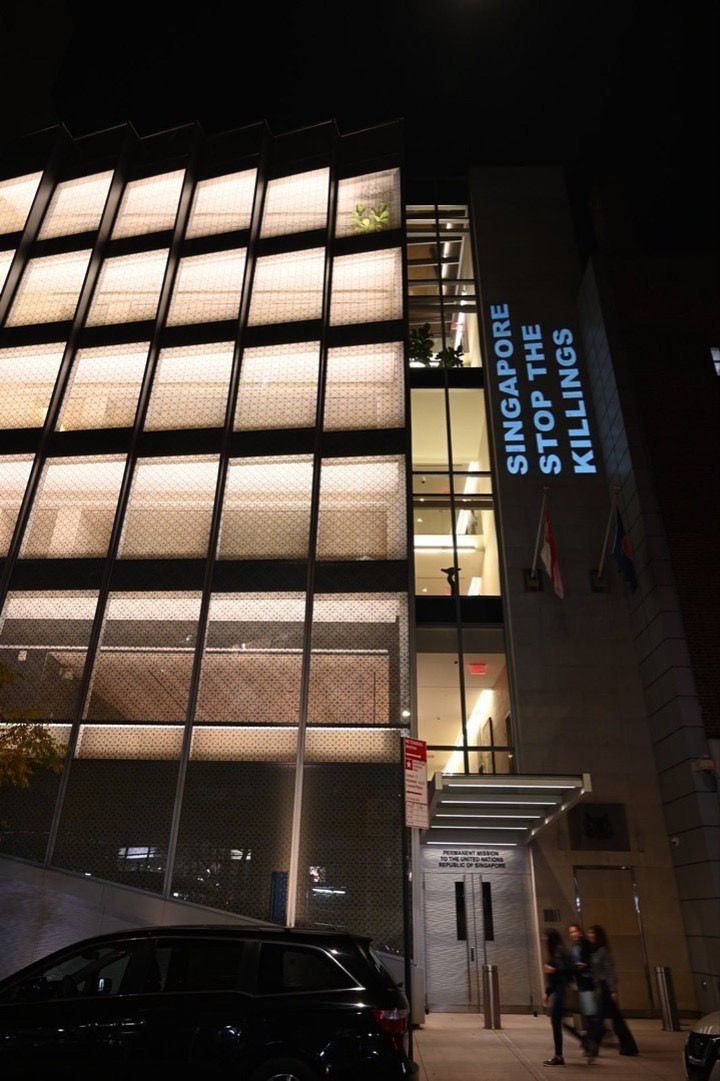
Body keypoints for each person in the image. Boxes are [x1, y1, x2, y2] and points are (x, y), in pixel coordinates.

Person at [587, 924, 639, 1056]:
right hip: (599, 988)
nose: (590, 936)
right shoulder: (594, 950)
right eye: (589, 933)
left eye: (593, 934)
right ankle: (629, 1045)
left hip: (605, 988)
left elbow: (609, 971)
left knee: (600, 1020)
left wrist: (613, 990)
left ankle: (593, 1045)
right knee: (616, 1020)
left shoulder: (603, 951)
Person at [568, 922, 601, 1057]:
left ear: (580, 932)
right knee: (589, 1013)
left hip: (587, 983)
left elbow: (585, 963)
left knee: (590, 1014)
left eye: (575, 931)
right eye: (571, 932)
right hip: (582, 983)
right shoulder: (576, 946)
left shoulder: (584, 945)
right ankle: (591, 1040)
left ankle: (591, 1041)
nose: (573, 934)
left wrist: (574, 968)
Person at [542, 929, 573, 1066]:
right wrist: (548, 993)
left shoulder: (558, 951)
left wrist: (553, 970)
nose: (544, 940)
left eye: (546, 937)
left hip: (560, 990)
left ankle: (559, 1056)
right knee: (558, 1022)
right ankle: (559, 1054)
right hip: (558, 990)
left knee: (556, 1022)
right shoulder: (556, 950)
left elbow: (564, 970)